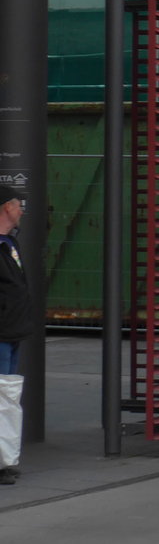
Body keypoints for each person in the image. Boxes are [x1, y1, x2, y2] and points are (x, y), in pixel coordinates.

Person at [0, 185, 32, 485]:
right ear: (6, 207)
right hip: (2, 332)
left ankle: (5, 460)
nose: (22, 209)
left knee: (7, 396)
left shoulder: (10, 243)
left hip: (11, 332)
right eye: (18, 204)